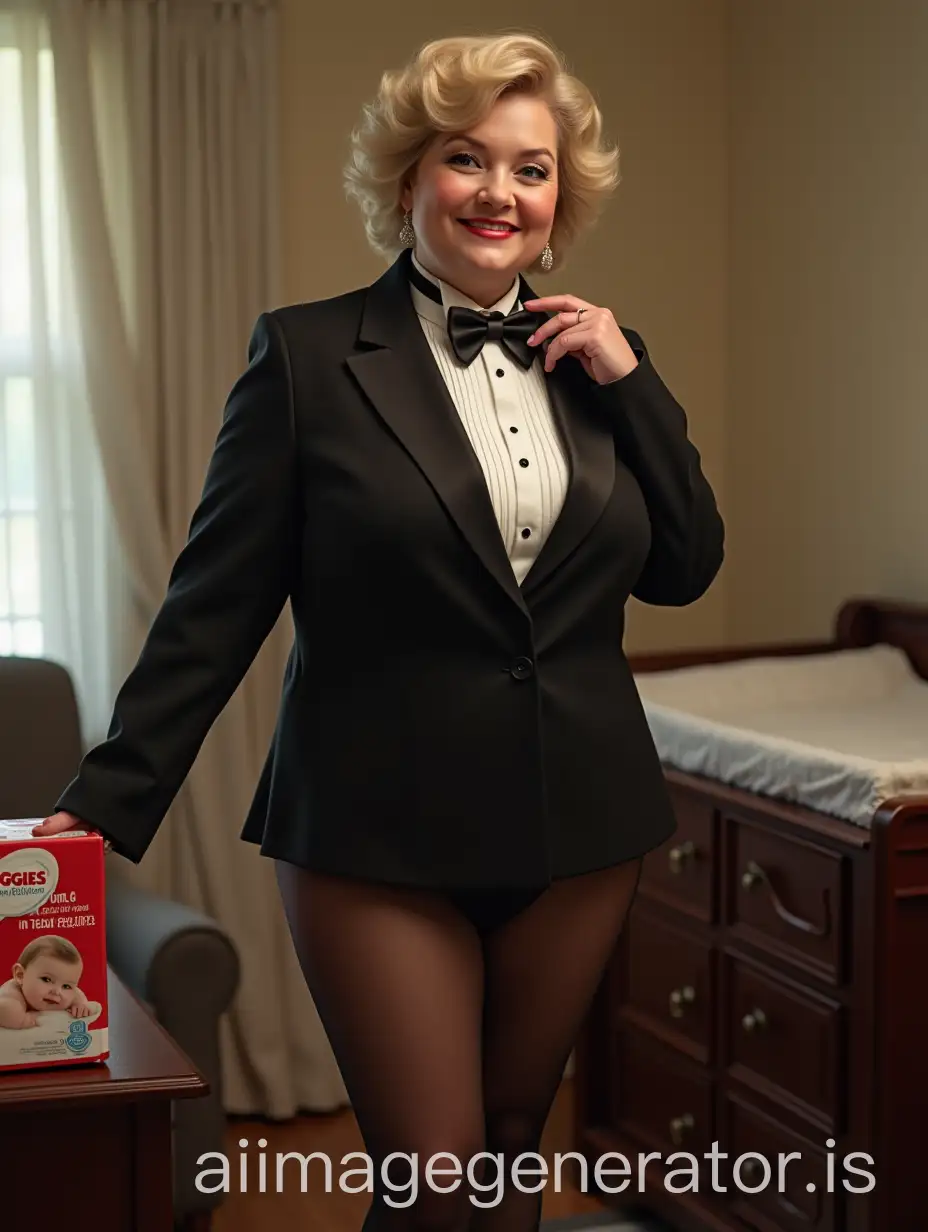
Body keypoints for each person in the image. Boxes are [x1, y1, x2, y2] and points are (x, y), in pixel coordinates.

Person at [34, 31, 724, 1231]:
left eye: (531, 168)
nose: (499, 193)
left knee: (514, 1147)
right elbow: (215, 601)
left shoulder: (602, 364)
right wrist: (99, 804)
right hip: (371, 824)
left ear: (560, 199)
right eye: (466, 159)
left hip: (582, 818)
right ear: (409, 177)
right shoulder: (304, 359)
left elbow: (685, 567)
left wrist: (633, 382)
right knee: (438, 1170)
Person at [0, 936, 96, 1029]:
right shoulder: (11, 993)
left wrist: (81, 1005)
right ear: (20, 975)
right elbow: (4, 1011)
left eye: (66, 986)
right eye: (47, 979)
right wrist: (26, 1020)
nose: (57, 991)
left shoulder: (71, 993)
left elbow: (77, 994)